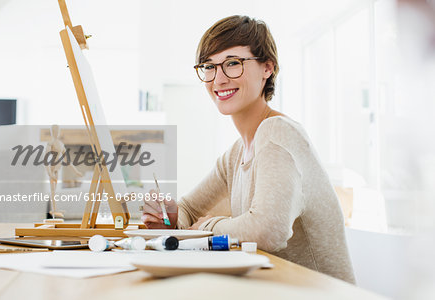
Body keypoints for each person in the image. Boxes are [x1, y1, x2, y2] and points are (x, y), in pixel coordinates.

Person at [142, 15, 355, 283]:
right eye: (209, 67)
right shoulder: (235, 155)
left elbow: (268, 230)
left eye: (233, 63)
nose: (218, 79)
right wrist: (171, 218)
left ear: (268, 68)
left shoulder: (277, 132)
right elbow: (187, 210)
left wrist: (207, 225)